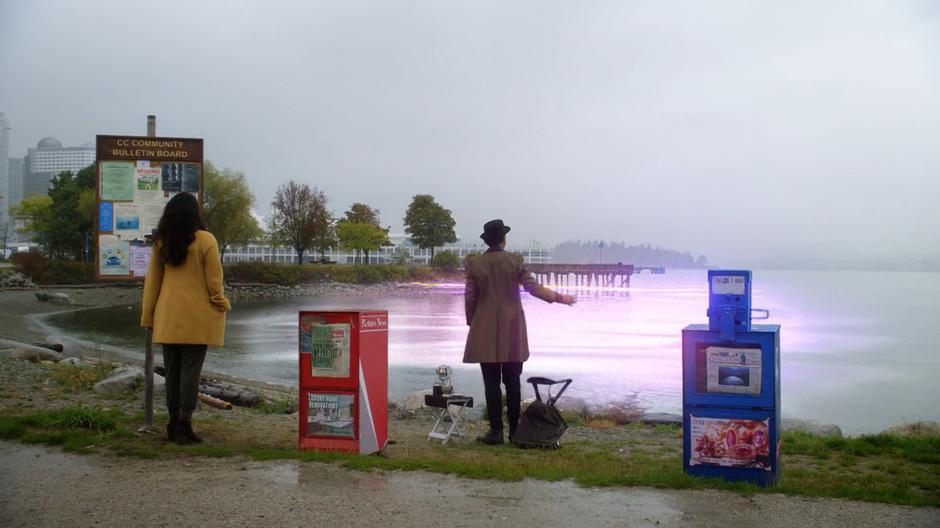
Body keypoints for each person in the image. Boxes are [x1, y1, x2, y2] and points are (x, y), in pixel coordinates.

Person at [463, 219, 576, 445]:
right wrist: (561, 299)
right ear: (504, 239)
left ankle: (495, 432)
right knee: (513, 381)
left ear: (487, 240)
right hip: (513, 328)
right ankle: (515, 431)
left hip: (484, 328)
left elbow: (470, 298)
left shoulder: (474, 264)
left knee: (491, 383)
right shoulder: (515, 261)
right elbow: (533, 288)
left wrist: (472, 322)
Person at [140, 192, 231, 444]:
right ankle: (184, 424)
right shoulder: (206, 240)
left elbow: (152, 283)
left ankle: (171, 423)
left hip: (168, 316)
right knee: (190, 372)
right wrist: (223, 304)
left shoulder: (161, 242)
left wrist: (148, 317)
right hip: (197, 317)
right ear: (195, 213)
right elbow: (214, 283)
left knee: (172, 372)